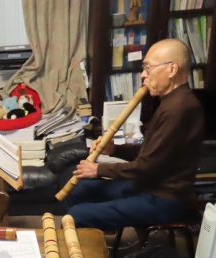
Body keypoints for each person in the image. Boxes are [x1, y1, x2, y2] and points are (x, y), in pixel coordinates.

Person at [65, 39, 204, 231]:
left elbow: (146, 167)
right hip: (147, 186)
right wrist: (114, 150)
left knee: (76, 215)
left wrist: (98, 170)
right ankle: (92, 237)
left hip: (165, 199)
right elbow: (150, 152)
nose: (143, 74)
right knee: (79, 190)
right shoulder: (170, 102)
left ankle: (92, 244)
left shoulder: (180, 109)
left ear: (171, 69)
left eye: (148, 68)